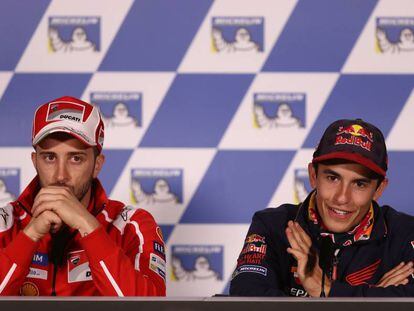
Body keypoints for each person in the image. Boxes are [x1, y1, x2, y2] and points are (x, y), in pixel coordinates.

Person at [0, 96, 166, 296]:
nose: (60, 175)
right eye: (50, 157)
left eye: (76, 158)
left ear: (97, 165)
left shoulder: (132, 225)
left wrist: (88, 227)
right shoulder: (5, 224)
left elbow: (151, 306)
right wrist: (30, 235)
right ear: (35, 162)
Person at [230, 119, 414, 297]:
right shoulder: (272, 225)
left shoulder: (406, 233)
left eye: (359, 184)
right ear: (313, 176)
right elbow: (246, 299)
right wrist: (375, 301)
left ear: (378, 189)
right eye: (332, 178)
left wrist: (324, 290)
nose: (342, 197)